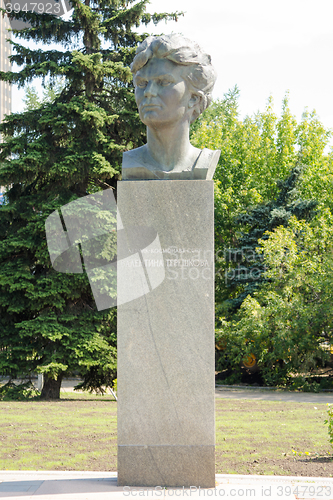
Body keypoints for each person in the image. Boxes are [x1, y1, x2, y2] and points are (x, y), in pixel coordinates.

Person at [122, 34, 220, 180]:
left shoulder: (203, 162)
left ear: (194, 98)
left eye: (163, 82)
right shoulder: (131, 162)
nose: (148, 92)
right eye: (142, 83)